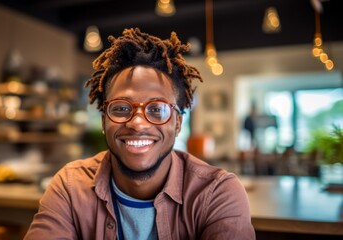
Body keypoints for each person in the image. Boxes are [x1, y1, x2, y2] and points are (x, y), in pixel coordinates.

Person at [24, 28, 255, 240]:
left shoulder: (217, 194)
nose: (137, 123)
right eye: (122, 108)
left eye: (157, 109)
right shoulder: (70, 187)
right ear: (104, 120)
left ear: (177, 123)